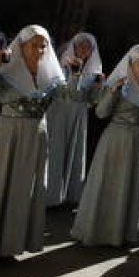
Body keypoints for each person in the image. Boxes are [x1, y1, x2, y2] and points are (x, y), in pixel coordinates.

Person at [0, 25, 77, 261]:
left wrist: (75, 75)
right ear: (21, 45)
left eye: (43, 45)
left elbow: (68, 97)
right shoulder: (7, 70)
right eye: (34, 45)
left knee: (25, 189)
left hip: (37, 135)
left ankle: (11, 244)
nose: (39, 50)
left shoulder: (50, 73)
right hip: (7, 134)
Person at [71, 44, 139, 247]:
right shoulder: (118, 83)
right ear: (131, 64)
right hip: (117, 139)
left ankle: (125, 231)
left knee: (133, 183)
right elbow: (101, 113)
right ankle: (100, 231)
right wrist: (113, 91)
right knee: (111, 182)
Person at [46, 31, 103, 206]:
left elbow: (94, 100)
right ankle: (49, 194)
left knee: (73, 150)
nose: (84, 49)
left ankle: (69, 195)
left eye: (88, 47)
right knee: (55, 149)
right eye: (80, 45)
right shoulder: (60, 65)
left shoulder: (94, 72)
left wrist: (99, 86)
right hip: (58, 111)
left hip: (78, 114)